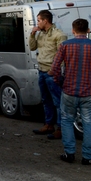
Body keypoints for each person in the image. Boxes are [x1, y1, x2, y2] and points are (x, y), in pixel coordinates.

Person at [49, 19, 91, 165]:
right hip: (88, 92)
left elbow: (54, 69)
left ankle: (69, 153)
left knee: (67, 121)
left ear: (73, 30)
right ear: (88, 30)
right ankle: (88, 157)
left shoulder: (65, 45)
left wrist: (59, 81)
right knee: (89, 123)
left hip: (69, 91)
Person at [29, 9, 67, 138]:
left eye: (39, 20)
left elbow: (62, 55)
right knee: (46, 99)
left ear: (46, 21)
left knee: (58, 100)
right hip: (42, 70)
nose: (37, 23)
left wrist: (56, 71)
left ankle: (61, 128)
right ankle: (48, 124)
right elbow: (32, 47)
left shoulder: (58, 34)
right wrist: (32, 34)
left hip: (52, 72)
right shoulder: (40, 34)